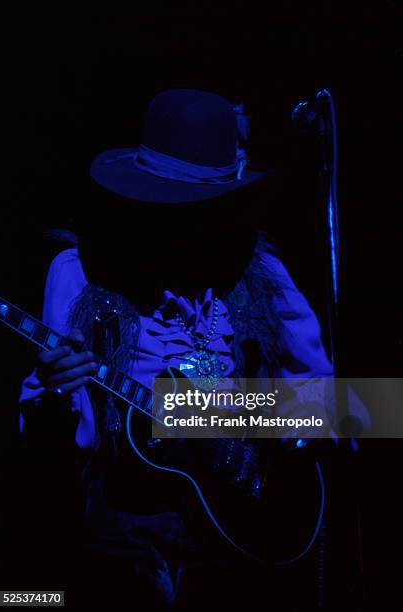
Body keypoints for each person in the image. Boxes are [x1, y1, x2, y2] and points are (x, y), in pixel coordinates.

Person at [18, 89, 337, 609]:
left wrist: (229, 419)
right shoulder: (79, 272)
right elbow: (56, 445)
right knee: (31, 599)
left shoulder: (262, 275)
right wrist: (55, 390)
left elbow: (343, 407)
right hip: (119, 538)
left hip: (237, 541)